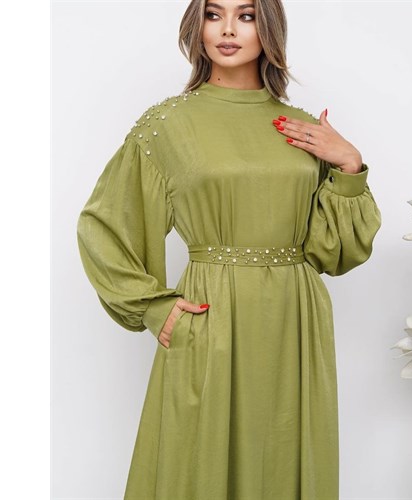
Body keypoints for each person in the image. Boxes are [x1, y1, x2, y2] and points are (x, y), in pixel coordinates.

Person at [76, 0, 382, 498]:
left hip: (293, 321)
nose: (228, 30)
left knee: (284, 453)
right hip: (210, 315)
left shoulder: (302, 128)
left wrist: (348, 166)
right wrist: (152, 307)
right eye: (214, 14)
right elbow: (105, 224)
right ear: (196, 27)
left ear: (269, 28)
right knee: (199, 460)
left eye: (246, 15)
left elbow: (335, 253)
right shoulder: (167, 124)